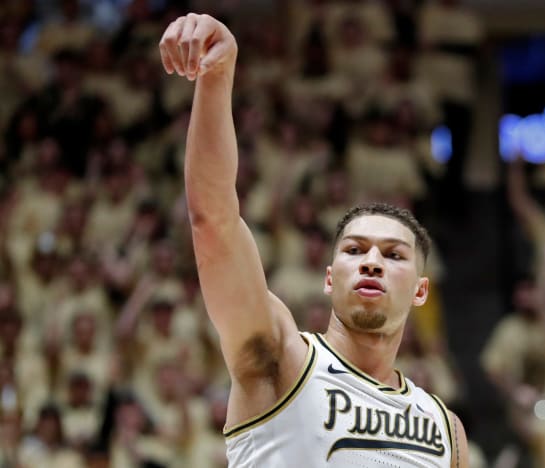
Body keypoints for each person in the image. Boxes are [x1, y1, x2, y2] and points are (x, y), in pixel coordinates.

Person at [158, 13, 468, 467]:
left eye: (394, 255)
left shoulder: (444, 429)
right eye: (355, 250)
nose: (372, 262)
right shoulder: (281, 358)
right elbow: (213, 221)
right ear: (328, 278)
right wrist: (217, 78)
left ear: (421, 289)